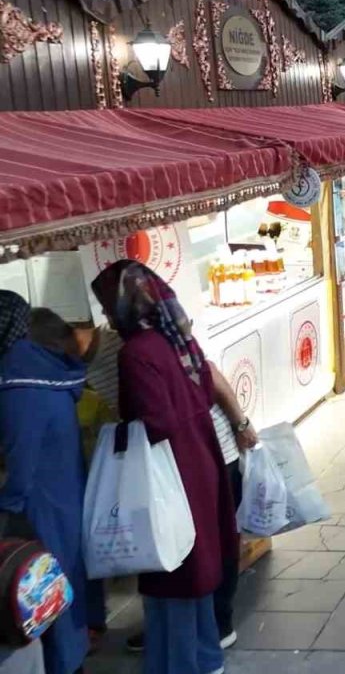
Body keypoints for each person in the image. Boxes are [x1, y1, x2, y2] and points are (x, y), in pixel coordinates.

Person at [89, 261, 239, 674]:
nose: (105, 315)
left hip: (170, 474)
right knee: (199, 574)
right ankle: (208, 660)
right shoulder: (173, 341)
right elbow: (204, 388)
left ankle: (178, 665)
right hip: (199, 463)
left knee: (172, 577)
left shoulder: (135, 353)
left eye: (106, 307)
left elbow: (156, 422)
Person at [0, 295, 88, 674]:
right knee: (57, 589)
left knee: (35, 596)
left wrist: (5, 507)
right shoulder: (43, 367)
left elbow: (20, 460)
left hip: (35, 509)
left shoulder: (18, 379)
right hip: (62, 496)